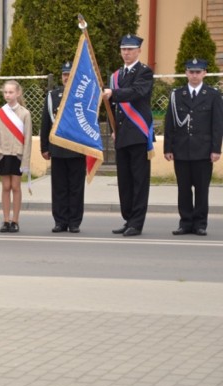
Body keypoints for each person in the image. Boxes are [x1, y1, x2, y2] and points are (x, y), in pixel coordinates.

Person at [164, 58, 223, 237]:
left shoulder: (213, 95)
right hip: (181, 149)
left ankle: (200, 224)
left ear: (205, 73)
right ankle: (185, 222)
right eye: (191, 72)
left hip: (203, 150)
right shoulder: (177, 95)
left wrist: (216, 149)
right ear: (186, 73)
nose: (194, 75)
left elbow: (217, 124)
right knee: (183, 189)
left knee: (201, 189)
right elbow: (170, 123)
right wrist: (168, 148)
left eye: (198, 72)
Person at [102, 34, 153, 237]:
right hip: (122, 135)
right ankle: (128, 218)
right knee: (125, 181)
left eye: (130, 49)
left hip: (139, 134)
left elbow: (136, 92)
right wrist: (114, 128)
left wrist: (113, 94)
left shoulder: (145, 72)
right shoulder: (116, 75)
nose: (126, 53)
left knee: (139, 181)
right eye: (123, 49)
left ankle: (137, 223)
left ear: (139, 51)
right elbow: (112, 107)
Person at [40, 62, 86, 233]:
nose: (67, 78)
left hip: (77, 148)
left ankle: (74, 222)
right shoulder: (53, 96)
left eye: (70, 74)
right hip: (57, 148)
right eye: (64, 75)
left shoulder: (82, 96)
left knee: (76, 188)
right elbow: (45, 122)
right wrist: (44, 147)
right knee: (59, 188)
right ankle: (60, 221)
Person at [0, 80, 32, 233]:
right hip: (3, 154)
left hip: (18, 154)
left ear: (18, 93)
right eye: (5, 92)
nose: (8, 95)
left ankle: (15, 220)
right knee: (5, 187)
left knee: (15, 186)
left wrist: (26, 161)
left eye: (11, 92)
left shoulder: (25, 113)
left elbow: (28, 139)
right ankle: (6, 220)